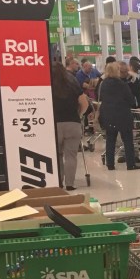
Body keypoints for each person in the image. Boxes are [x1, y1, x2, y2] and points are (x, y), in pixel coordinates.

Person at [51, 61, 89, 190]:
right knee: (71, 155)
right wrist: (79, 115)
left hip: (53, 125)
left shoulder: (47, 85)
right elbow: (84, 103)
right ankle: (70, 184)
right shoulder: (72, 83)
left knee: (57, 155)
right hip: (72, 123)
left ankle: (58, 182)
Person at [97, 61, 139, 171]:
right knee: (127, 140)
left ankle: (110, 164)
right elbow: (130, 100)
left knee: (110, 139)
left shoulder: (103, 84)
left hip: (108, 114)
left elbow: (100, 98)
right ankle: (131, 164)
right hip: (123, 115)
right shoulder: (122, 84)